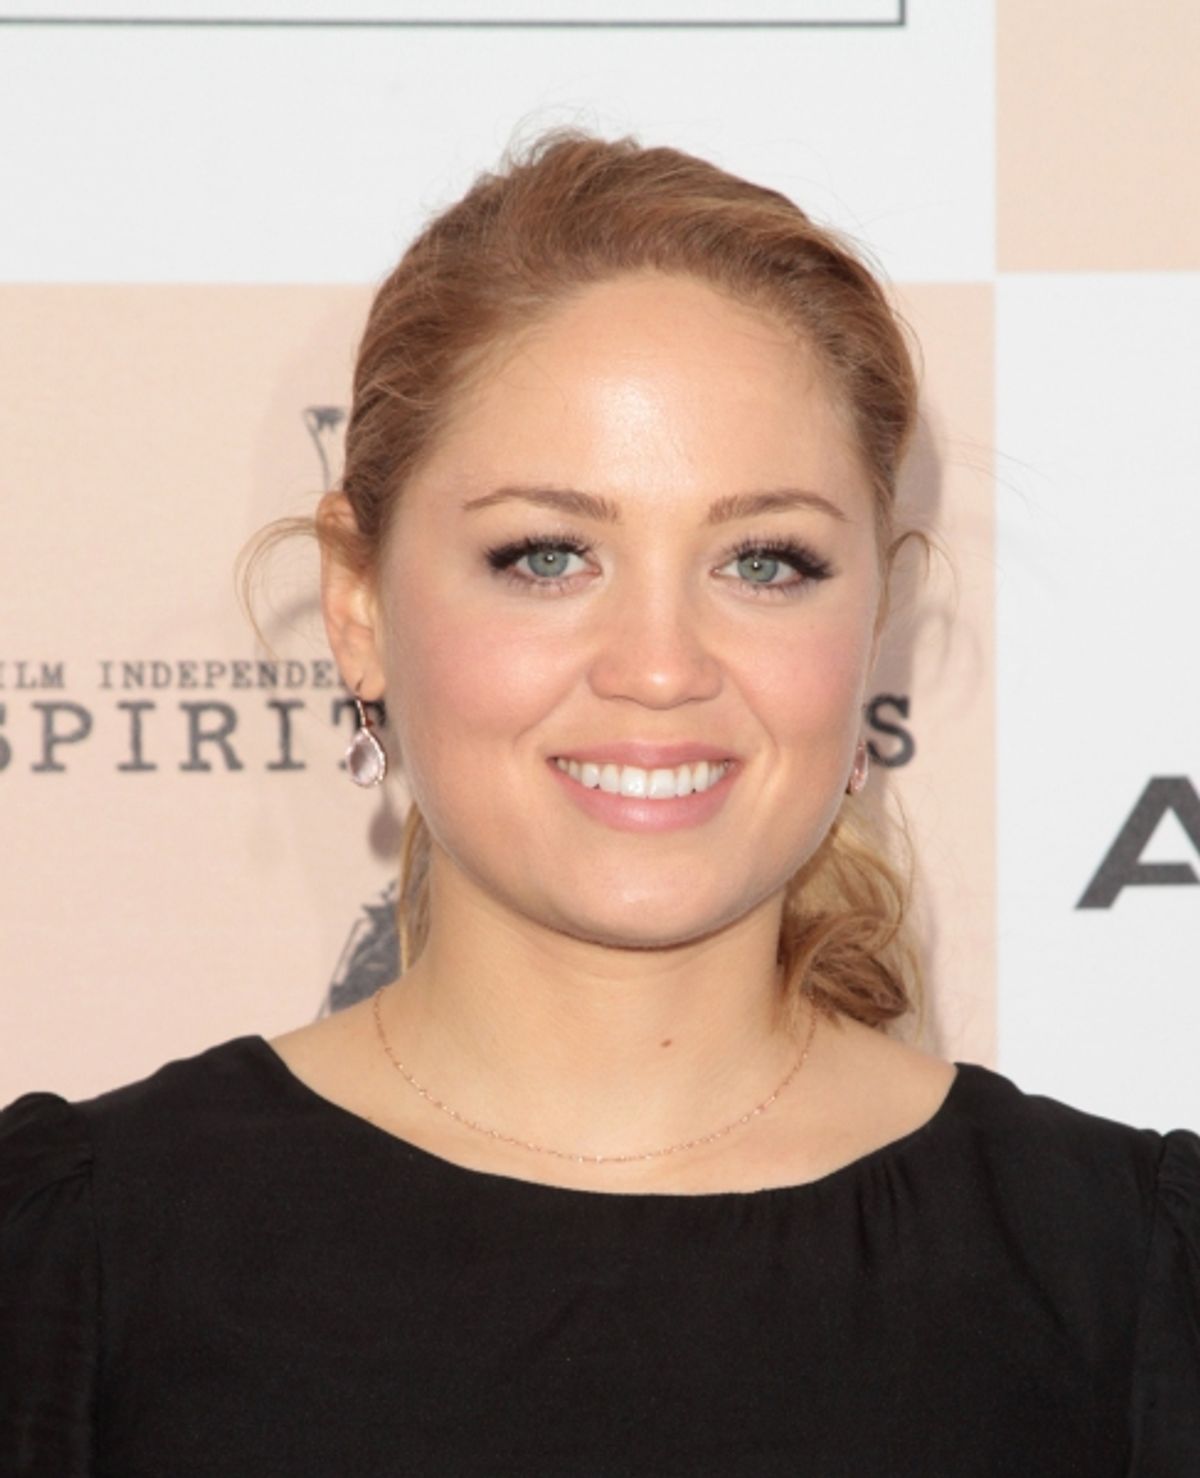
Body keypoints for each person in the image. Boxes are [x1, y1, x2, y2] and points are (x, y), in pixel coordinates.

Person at [2, 131, 1197, 1477]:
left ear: (877, 620)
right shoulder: (68, 1263)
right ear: (358, 603)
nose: (660, 666)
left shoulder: (1128, 1282)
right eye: (548, 553)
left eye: (766, 560)